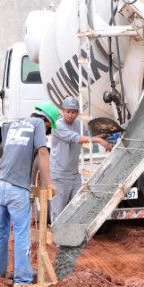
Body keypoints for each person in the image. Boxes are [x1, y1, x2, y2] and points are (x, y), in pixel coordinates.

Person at [0, 103, 58, 287]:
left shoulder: (14, 123)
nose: (46, 131)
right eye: (48, 127)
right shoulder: (37, 125)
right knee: (22, 233)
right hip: (16, 188)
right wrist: (48, 183)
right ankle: (22, 281)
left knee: (1, 232)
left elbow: (4, 152)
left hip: (0, 184)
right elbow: (43, 152)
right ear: (46, 121)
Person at [49, 96, 112, 226]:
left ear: (77, 112)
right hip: (59, 176)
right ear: (62, 111)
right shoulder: (57, 126)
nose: (70, 115)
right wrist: (99, 140)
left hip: (74, 174)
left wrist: (105, 134)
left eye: (73, 112)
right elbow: (76, 138)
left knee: (77, 207)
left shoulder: (78, 124)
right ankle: (59, 240)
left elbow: (88, 137)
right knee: (58, 211)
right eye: (67, 111)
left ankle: (72, 237)